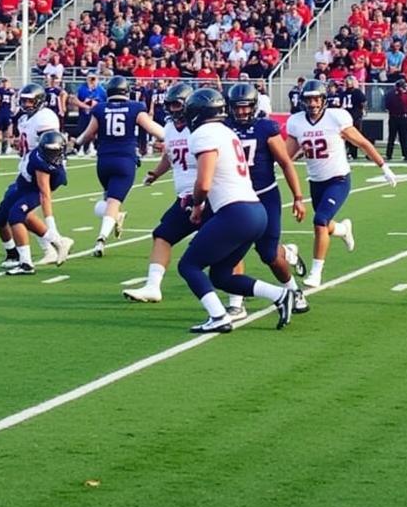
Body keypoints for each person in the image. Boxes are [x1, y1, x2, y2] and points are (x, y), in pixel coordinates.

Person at [175, 88, 297, 334]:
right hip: (255, 210)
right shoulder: (227, 132)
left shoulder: (204, 134)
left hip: (236, 212)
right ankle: (282, 295)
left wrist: (197, 205)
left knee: (188, 265)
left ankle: (218, 316)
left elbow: (204, 182)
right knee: (221, 276)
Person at [285, 79, 398, 289]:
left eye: (316, 99)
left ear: (323, 99)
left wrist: (384, 167)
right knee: (325, 224)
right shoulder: (296, 122)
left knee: (319, 221)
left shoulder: (336, 118)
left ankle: (316, 272)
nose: (312, 104)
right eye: (308, 100)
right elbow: (285, 156)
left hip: (338, 179)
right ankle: (343, 230)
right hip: (316, 181)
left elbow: (362, 142)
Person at [221, 81, 309, 321]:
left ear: (254, 106)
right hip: (236, 196)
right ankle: (236, 303)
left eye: (245, 107)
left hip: (265, 194)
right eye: (236, 107)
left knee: (268, 253)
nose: (241, 112)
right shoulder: (223, 128)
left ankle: (293, 290)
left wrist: (298, 197)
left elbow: (285, 163)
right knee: (232, 248)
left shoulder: (265, 128)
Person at [72, 75, 164, 257]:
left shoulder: (100, 108)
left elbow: (88, 134)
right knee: (113, 202)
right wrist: (173, 137)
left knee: (107, 202)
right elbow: (152, 128)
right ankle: (101, 238)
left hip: (104, 161)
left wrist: (76, 143)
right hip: (125, 160)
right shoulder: (135, 107)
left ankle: (117, 216)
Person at [124, 83, 198, 303]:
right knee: (162, 235)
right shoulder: (168, 126)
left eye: (177, 105)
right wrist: (156, 173)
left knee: (236, 243)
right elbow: (171, 154)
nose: (173, 110)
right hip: (185, 198)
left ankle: (237, 301)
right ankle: (152, 286)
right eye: (170, 105)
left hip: (210, 197)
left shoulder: (201, 128)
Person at [0, 130, 71, 276]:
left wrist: (51, 225)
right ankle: (58, 242)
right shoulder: (39, 158)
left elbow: (45, 194)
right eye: (48, 151)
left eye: (54, 151)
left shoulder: (44, 166)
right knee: (0, 218)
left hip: (34, 189)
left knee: (16, 216)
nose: (51, 155)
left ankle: (26, 263)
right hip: (23, 185)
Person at [384, 78, 407, 161]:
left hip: (401, 117)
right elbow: (387, 105)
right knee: (393, 137)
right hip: (396, 117)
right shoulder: (392, 95)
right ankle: (390, 154)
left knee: (403, 137)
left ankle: (405, 154)